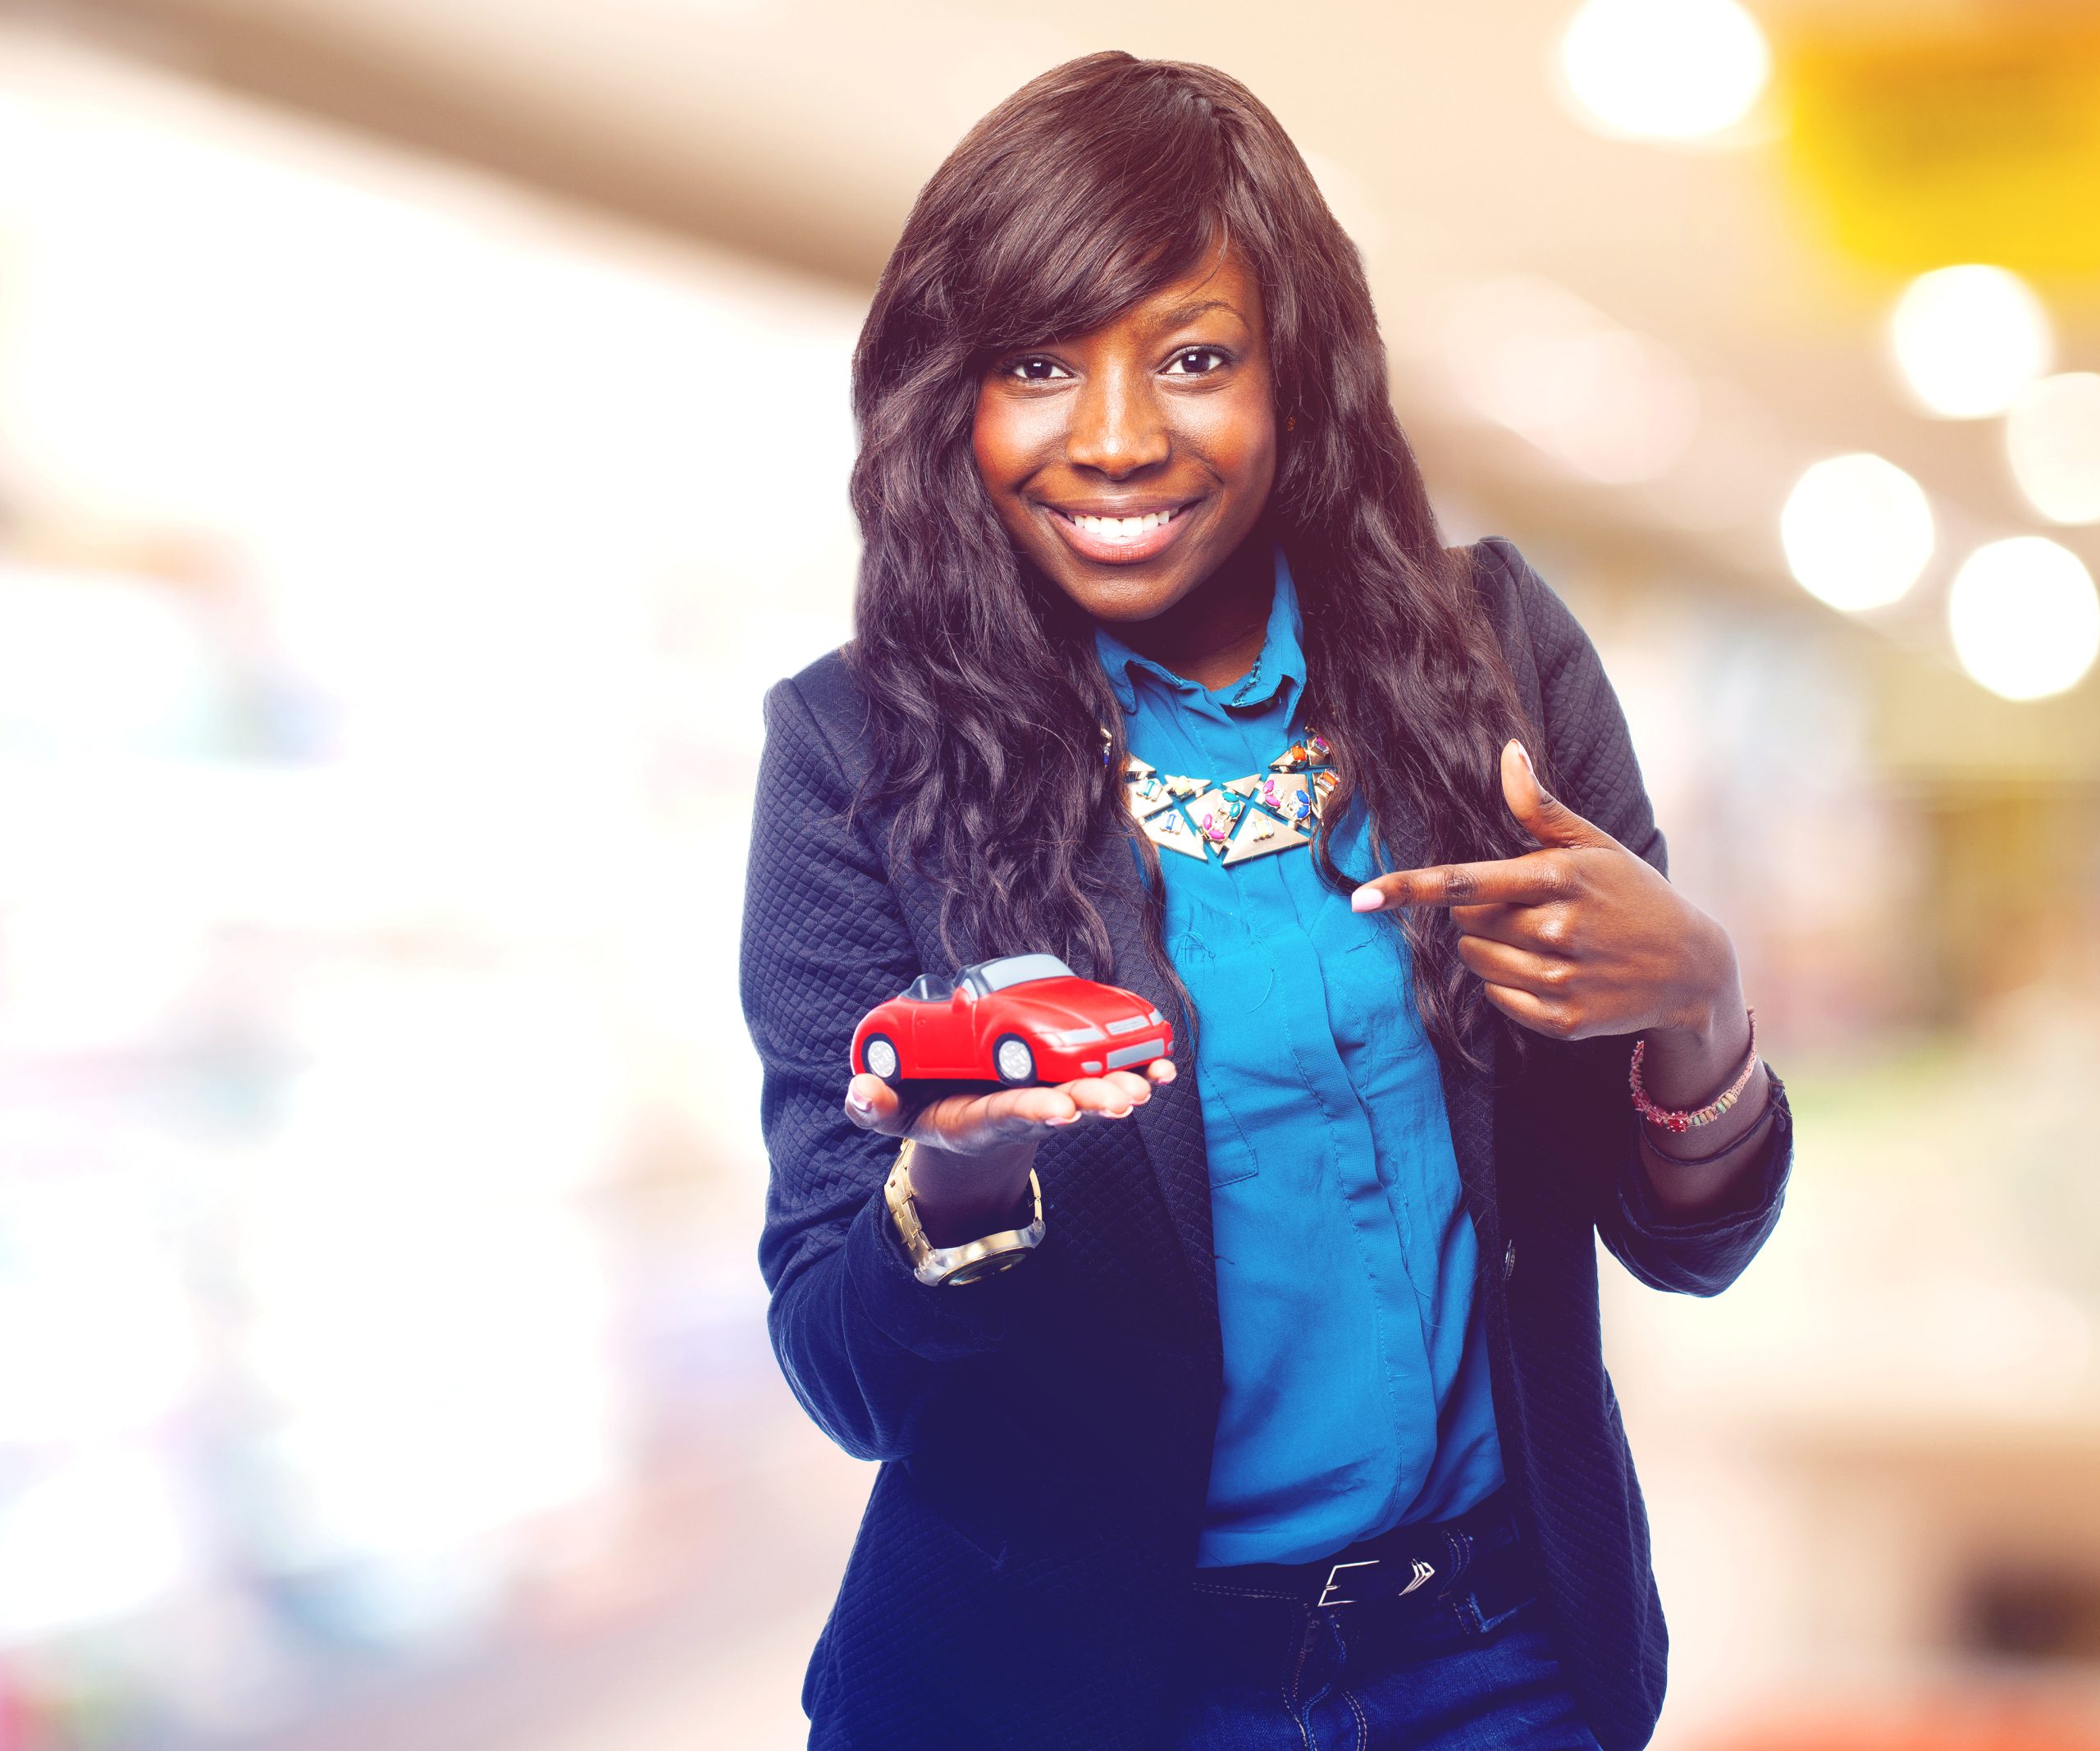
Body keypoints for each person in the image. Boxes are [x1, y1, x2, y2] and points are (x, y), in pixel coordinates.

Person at [741, 50, 1792, 1751]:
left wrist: (1702, 1006)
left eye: (1191, 358)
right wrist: (956, 1184)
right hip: (1064, 1688)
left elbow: (1684, 1238)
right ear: (957, 399)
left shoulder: (1492, 661)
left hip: (1493, 1659)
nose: (1111, 436)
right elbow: (838, 1368)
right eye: (1033, 364)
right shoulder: (855, 751)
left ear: (1294, 372)